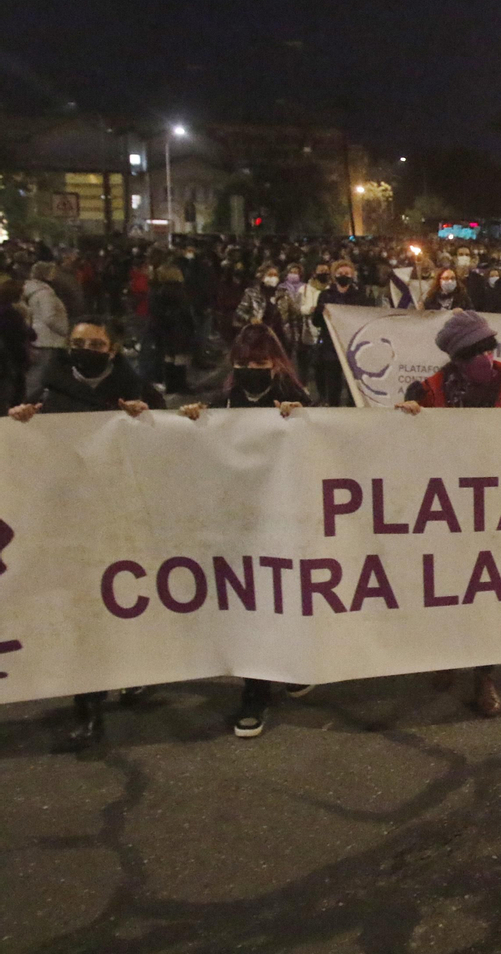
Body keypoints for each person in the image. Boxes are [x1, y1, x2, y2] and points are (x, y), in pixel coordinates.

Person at [8, 317, 164, 750]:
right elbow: (29, 447)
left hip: (124, 513)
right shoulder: (46, 390)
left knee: (131, 603)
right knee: (86, 612)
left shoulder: (136, 388)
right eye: (79, 343)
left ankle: (137, 675)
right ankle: (89, 704)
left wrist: (148, 418)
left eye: (96, 343)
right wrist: (20, 421)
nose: (86, 349)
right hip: (70, 517)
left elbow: (169, 439)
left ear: (112, 350)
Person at [396, 310, 501, 717]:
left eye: (489, 347)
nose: (486, 358)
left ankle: (484, 672)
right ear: (457, 358)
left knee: (488, 591)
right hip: (447, 508)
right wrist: (402, 423)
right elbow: (404, 451)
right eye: (476, 351)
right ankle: (445, 652)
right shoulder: (426, 392)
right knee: (446, 585)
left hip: (497, 508)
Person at [178, 325, 315, 737]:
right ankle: (256, 692)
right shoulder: (223, 401)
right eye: (243, 363)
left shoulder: (298, 398)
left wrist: (303, 421)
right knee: (251, 605)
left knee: (285, 597)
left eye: (259, 362)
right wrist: (192, 422)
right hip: (239, 522)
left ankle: (288, 664)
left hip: (285, 518)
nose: (251, 369)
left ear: (276, 362)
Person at [310, 259, 371, 405]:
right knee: (333, 383)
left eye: (347, 273)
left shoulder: (359, 296)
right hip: (331, 345)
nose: (344, 275)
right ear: (334, 275)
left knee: (353, 385)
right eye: (340, 273)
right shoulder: (325, 295)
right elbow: (317, 322)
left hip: (353, 344)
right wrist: (319, 311)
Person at [23, 262, 69, 401]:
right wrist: (64, 330)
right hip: (48, 338)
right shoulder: (45, 294)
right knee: (40, 374)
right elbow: (49, 317)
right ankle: (31, 400)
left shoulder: (31, 290)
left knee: (36, 372)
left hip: (38, 336)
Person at [148, 263, 195, 394]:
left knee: (169, 358)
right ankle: (181, 386)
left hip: (164, 330)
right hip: (179, 328)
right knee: (180, 358)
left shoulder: (157, 290)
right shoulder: (178, 290)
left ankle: (171, 385)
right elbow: (185, 312)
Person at [0, 279, 31, 411]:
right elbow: (29, 333)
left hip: (7, 358)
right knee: (14, 397)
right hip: (12, 358)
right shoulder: (11, 313)